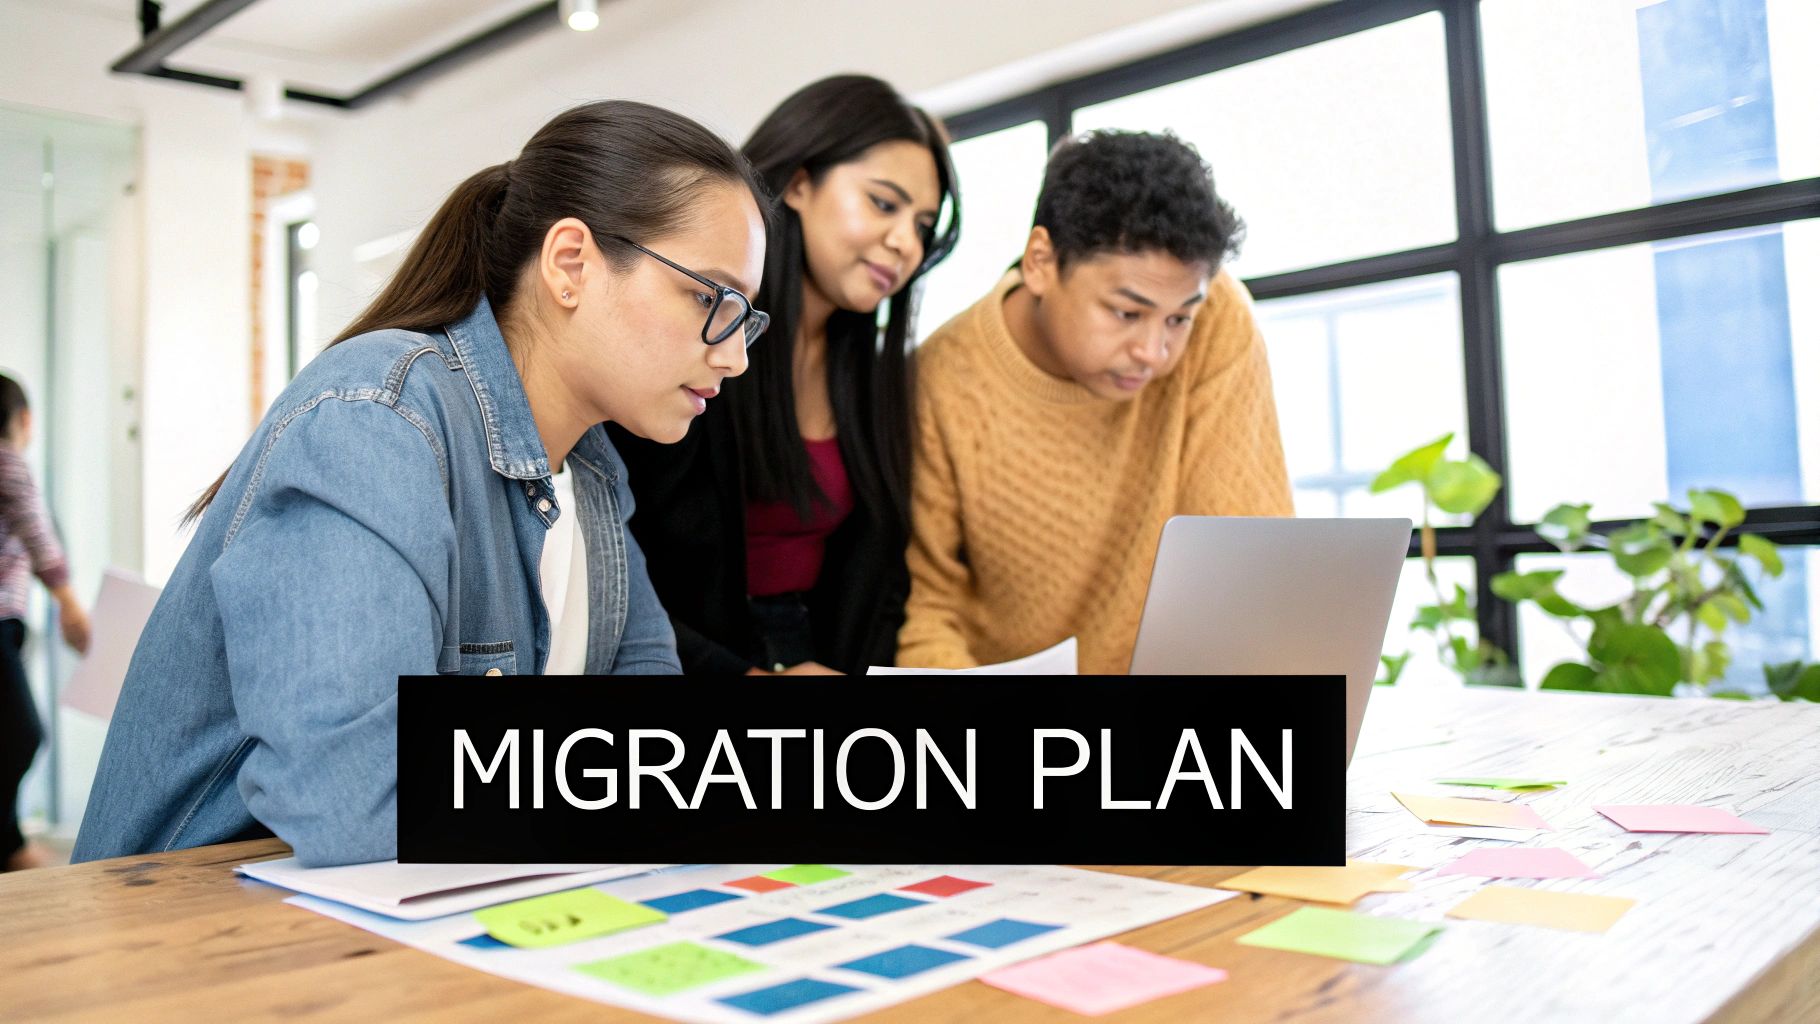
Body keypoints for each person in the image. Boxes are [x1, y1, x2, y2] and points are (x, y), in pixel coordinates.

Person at [73, 101, 769, 866]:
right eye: (711, 299)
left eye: (746, 318)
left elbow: (662, 762)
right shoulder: (377, 419)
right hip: (198, 950)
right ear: (571, 263)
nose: (734, 357)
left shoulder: (594, 471)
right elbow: (357, 803)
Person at [897, 129, 1293, 675]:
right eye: (1126, 313)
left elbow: (1244, 555)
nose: (1153, 352)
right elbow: (927, 607)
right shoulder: (940, 378)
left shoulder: (1219, 316)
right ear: (1040, 262)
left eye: (1178, 319)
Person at [608, 75, 959, 675]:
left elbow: (880, 579)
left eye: (924, 225)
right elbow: (615, 564)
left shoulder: (871, 375)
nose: (906, 242)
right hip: (677, 658)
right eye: (883, 203)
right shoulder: (697, 344)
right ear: (799, 183)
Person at [0, 375, 90, 871]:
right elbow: (39, 533)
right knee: (22, 734)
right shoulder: (7, 460)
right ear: (24, 419)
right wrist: (69, 604)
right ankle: (8, 845)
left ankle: (8, 845)